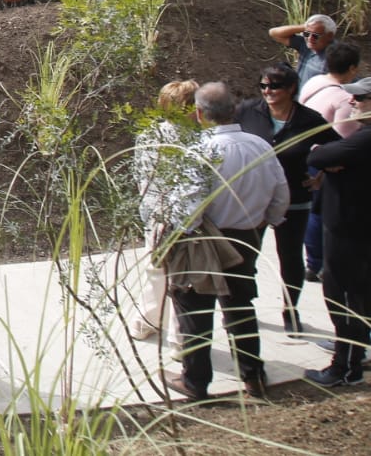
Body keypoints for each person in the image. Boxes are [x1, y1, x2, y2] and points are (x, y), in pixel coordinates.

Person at [164, 82, 288, 402]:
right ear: (233, 110)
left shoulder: (199, 151)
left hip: (207, 239)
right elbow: (280, 194)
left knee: (194, 307)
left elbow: (189, 208)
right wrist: (266, 221)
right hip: (248, 237)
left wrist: (179, 232)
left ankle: (195, 382)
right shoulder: (260, 144)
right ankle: (253, 377)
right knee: (240, 306)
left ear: (199, 114)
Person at [235, 64, 328, 337]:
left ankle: (290, 310)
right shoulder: (247, 111)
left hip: (294, 199)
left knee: (290, 258)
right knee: (245, 256)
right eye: (263, 85)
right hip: (254, 200)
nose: (267, 91)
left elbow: (337, 146)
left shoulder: (309, 119)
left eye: (274, 86)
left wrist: (321, 175)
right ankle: (244, 306)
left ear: (290, 89)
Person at [303, 80, 371, 386]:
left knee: (343, 299)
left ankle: (343, 366)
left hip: (349, 234)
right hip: (351, 231)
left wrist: (326, 154)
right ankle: (351, 363)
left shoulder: (364, 140)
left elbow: (317, 157)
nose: (352, 102)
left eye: (359, 98)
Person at [128, 79, 202, 341]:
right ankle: (180, 337)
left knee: (155, 270)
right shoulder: (200, 139)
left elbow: (142, 178)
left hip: (157, 213)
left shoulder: (148, 135)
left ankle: (147, 320)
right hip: (189, 218)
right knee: (184, 279)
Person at [269, 13, 336, 85]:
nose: (310, 38)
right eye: (307, 34)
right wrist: (305, 27)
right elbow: (273, 33)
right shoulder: (305, 44)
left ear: (330, 36)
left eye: (315, 35)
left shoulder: (337, 56)